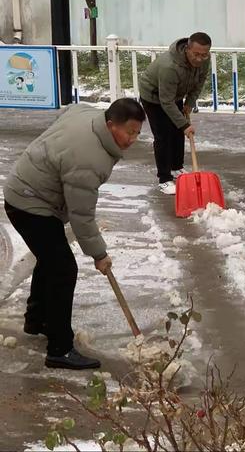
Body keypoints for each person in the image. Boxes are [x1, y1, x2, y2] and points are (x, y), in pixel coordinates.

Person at [3, 98, 146, 370]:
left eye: (137, 132)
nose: (132, 139)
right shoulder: (88, 158)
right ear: (110, 124)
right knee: (63, 268)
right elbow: (82, 216)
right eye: (129, 132)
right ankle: (59, 349)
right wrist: (99, 254)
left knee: (51, 258)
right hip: (29, 202)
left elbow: (72, 108)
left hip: (30, 191)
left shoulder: (89, 114)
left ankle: (38, 320)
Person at [139, 32, 211, 195]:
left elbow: (200, 82)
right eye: (196, 54)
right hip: (154, 96)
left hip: (175, 94)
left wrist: (189, 103)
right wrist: (185, 125)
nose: (199, 59)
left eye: (204, 55)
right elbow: (166, 102)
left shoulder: (205, 61)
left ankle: (176, 168)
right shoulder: (169, 66)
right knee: (163, 135)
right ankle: (164, 179)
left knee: (177, 131)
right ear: (187, 49)